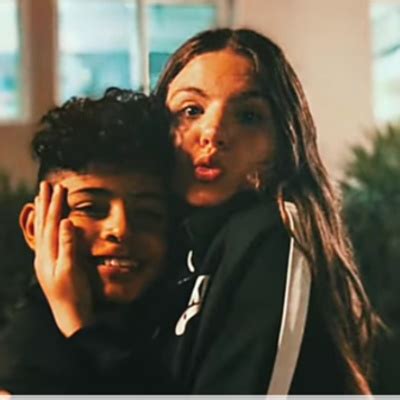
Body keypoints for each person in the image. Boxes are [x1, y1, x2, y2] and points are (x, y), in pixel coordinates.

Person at [29, 28, 380, 394]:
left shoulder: (271, 236)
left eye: (248, 116)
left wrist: (77, 324)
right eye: (191, 111)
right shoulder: (172, 249)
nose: (213, 132)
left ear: (283, 142)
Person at [0, 88, 174, 394]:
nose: (120, 229)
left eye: (148, 213)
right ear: (34, 226)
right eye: (91, 208)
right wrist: (77, 324)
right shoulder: (22, 368)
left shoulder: (170, 326)